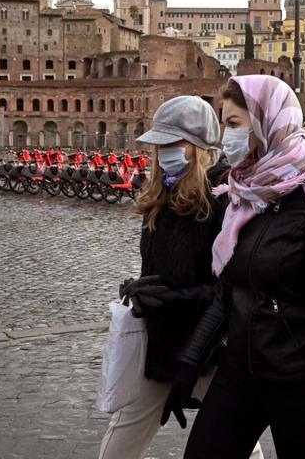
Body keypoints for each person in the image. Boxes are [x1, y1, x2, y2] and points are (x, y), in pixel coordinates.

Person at [165, 76, 305, 459]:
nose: (226, 137)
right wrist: (188, 364)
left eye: (235, 124)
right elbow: (228, 293)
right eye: (224, 124)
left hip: (299, 386)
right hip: (239, 374)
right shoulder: (243, 197)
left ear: (266, 123)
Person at [98, 95, 262, 459]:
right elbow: (159, 269)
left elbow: (231, 286)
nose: (161, 151)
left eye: (171, 143)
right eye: (160, 144)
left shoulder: (223, 198)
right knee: (117, 449)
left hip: (208, 351)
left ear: (195, 147)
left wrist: (174, 297)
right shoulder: (161, 192)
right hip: (158, 347)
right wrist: (141, 288)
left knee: (240, 445)